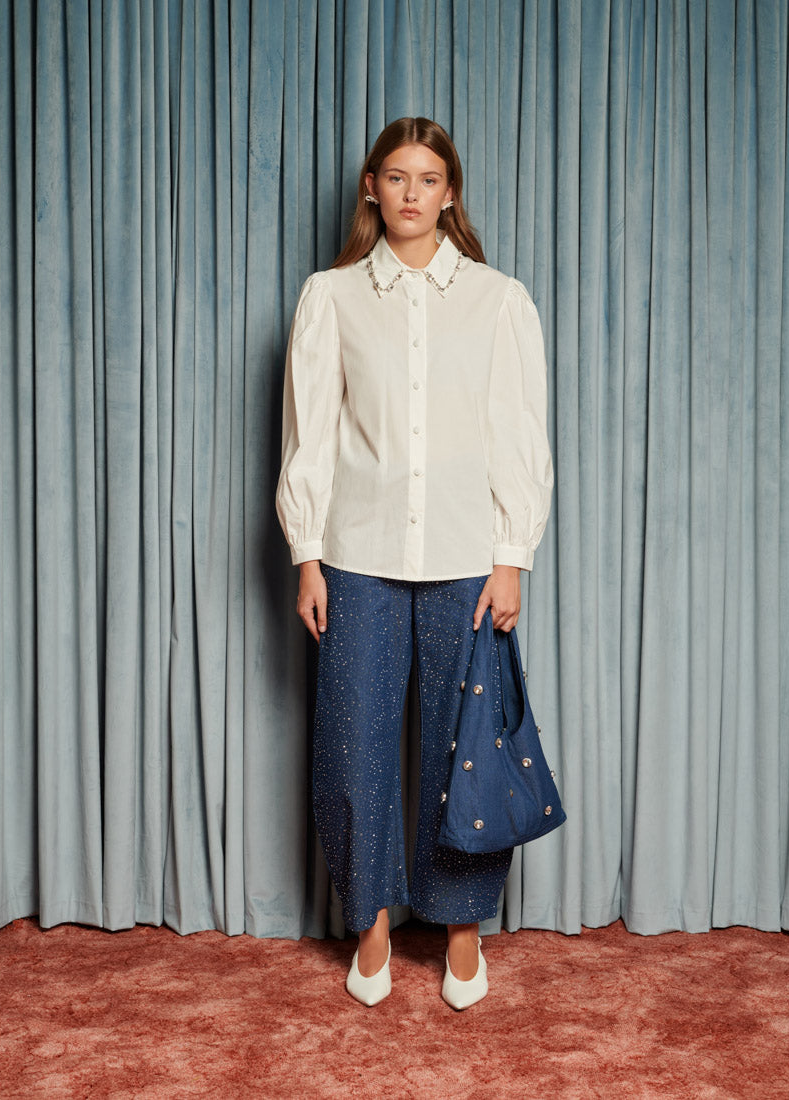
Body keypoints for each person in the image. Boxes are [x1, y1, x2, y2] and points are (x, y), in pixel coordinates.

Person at [276, 117, 553, 1010]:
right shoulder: (331, 296)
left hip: (468, 556)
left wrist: (510, 557)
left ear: (449, 193)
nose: (410, 193)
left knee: (465, 749)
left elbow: (517, 434)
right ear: (371, 186)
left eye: (427, 179)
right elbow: (310, 437)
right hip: (354, 557)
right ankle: (371, 924)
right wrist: (307, 555)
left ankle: (463, 928)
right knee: (351, 744)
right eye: (396, 176)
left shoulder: (498, 299)